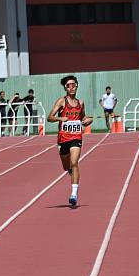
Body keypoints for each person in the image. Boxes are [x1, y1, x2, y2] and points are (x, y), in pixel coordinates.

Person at [47, 75, 93, 207]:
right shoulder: (62, 101)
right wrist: (60, 119)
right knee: (66, 167)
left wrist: (89, 120)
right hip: (63, 139)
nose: (72, 87)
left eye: (74, 85)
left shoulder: (81, 103)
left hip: (76, 137)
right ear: (66, 88)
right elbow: (49, 117)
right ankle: (71, 172)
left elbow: (83, 118)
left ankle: (74, 195)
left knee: (74, 163)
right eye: (69, 85)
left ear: (77, 86)